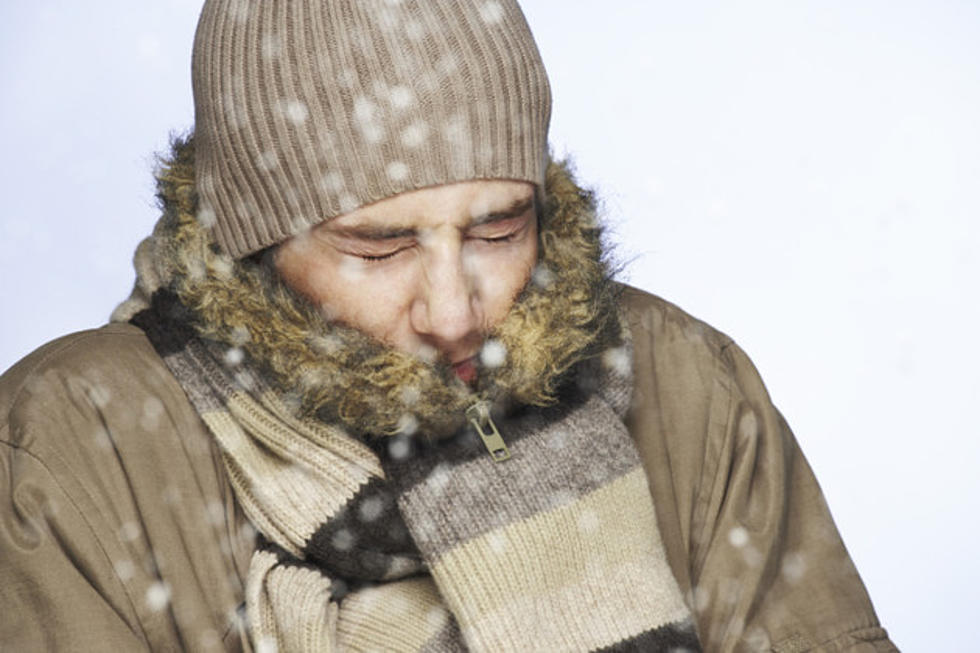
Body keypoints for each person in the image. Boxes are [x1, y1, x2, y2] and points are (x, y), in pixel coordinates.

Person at [0, 1, 896, 650]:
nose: (457, 311)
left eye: (500, 230)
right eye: (379, 247)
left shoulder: (680, 376)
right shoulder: (78, 438)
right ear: (250, 244)